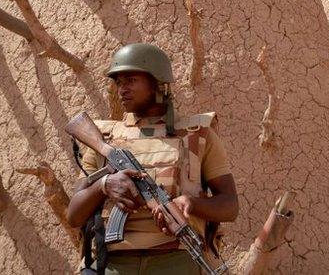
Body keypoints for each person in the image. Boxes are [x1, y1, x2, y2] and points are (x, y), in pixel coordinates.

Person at [67, 43, 239, 274]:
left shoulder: (197, 135)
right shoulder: (103, 140)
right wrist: (104, 185)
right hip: (113, 262)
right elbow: (74, 215)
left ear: (157, 82)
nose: (122, 90)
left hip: (175, 260)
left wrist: (191, 203)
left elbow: (230, 207)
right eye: (118, 82)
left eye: (130, 80)